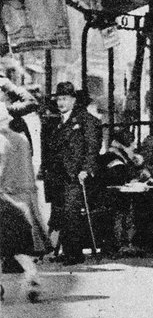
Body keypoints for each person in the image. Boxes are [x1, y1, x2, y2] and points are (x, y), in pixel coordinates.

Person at [43, 82, 101, 264]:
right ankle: (65, 251)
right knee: (61, 214)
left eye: (64, 99)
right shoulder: (57, 122)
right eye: (59, 99)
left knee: (72, 214)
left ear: (74, 100)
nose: (61, 103)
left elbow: (93, 148)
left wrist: (86, 169)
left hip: (76, 176)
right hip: (58, 177)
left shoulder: (85, 120)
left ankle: (74, 254)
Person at [1, 89, 48, 301]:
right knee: (19, 247)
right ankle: (31, 276)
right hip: (23, 200)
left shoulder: (1, 143)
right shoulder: (21, 140)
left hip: (4, 198)